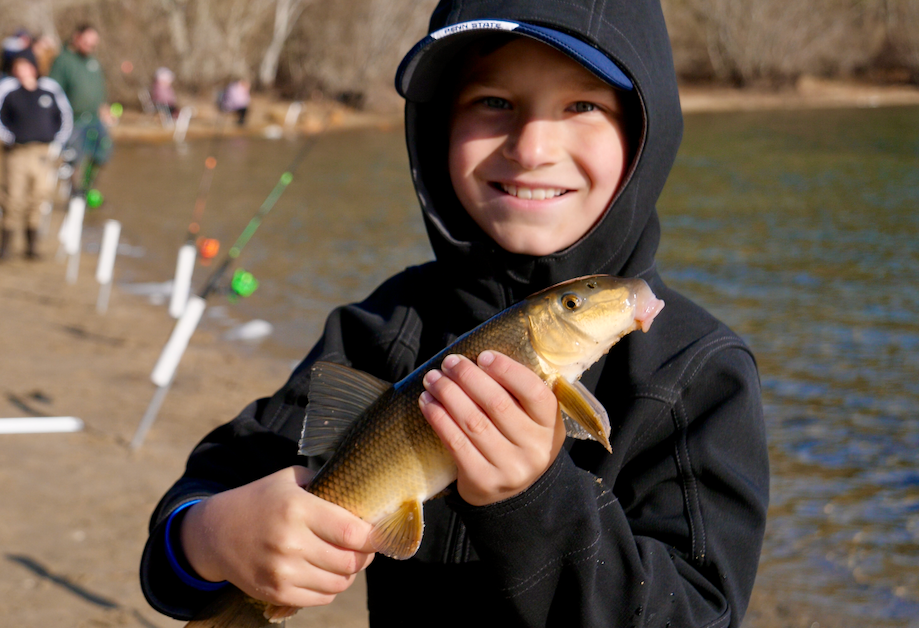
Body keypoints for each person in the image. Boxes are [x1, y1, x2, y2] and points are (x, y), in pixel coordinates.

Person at [140, 0, 770, 625]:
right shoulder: (384, 325)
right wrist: (208, 537)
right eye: (494, 102)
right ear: (436, 124)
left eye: (583, 106)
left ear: (643, 134)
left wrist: (538, 500)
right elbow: (202, 499)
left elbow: (701, 613)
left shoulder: (699, 374)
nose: (531, 148)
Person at [0, 49, 73, 260]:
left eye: (25, 65)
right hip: (17, 153)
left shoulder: (50, 89)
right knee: (13, 197)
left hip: (43, 153)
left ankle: (31, 246)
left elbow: (64, 117)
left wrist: (57, 142)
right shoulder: (7, 89)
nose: (21, 70)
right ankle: (4, 247)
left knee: (39, 197)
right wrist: (9, 137)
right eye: (17, 66)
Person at [48, 24, 115, 174]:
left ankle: (86, 189)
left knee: (103, 152)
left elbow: (99, 88)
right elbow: (53, 91)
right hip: (72, 120)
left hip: (94, 119)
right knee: (75, 156)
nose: (91, 46)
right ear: (77, 37)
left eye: (94, 43)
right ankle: (74, 192)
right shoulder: (63, 61)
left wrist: (104, 107)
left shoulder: (93, 62)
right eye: (87, 41)